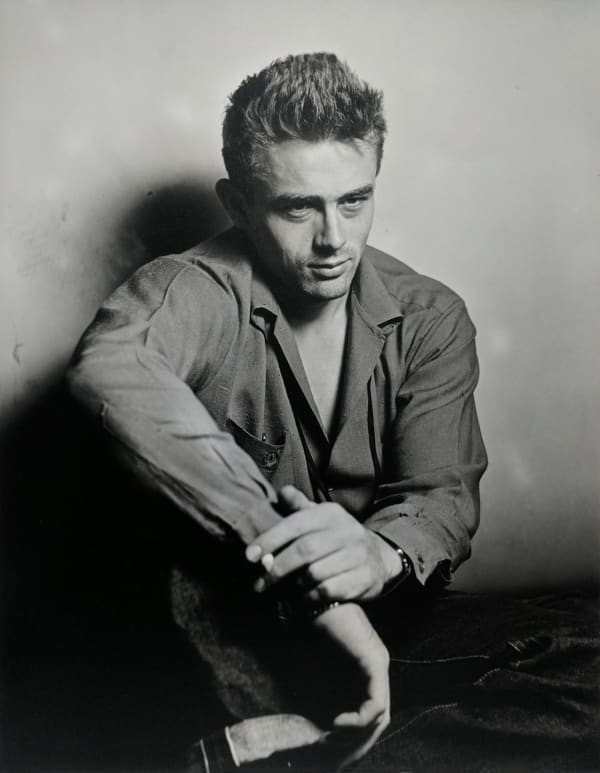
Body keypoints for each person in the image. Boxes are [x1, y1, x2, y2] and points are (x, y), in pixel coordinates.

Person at [67, 53, 599, 772]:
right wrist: (290, 549)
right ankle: (356, 724)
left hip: (387, 624)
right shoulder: (191, 288)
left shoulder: (429, 315)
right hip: (231, 635)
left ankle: (307, 746)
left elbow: (439, 494)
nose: (334, 240)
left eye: (354, 201)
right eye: (298, 207)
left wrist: (379, 555)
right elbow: (109, 369)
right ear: (238, 203)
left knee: (587, 647)